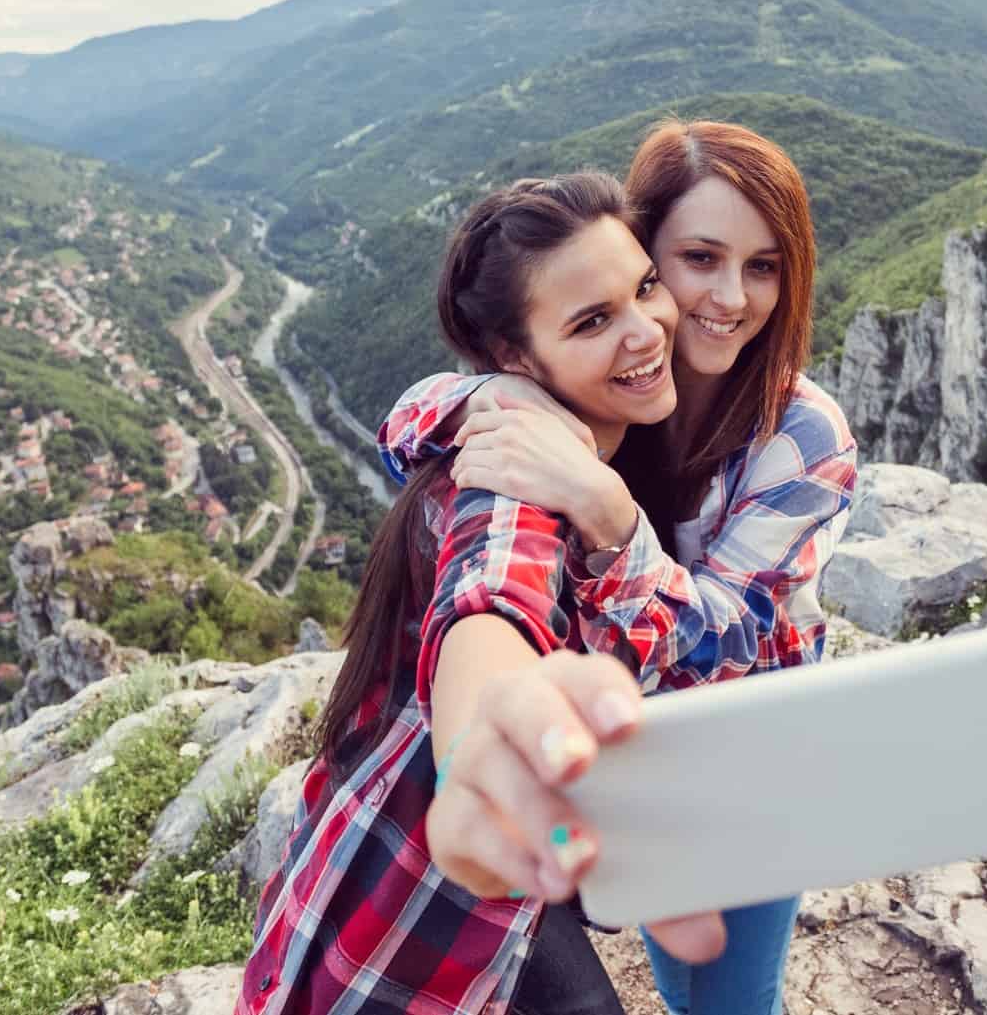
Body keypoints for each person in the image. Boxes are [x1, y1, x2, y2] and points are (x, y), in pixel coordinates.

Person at [376, 121, 859, 1015]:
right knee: (669, 956)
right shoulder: (610, 377)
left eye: (763, 267)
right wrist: (495, 394)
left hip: (749, 746)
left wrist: (606, 511)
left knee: (725, 994)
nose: (728, 298)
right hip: (621, 752)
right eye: (698, 258)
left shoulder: (801, 435)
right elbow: (408, 424)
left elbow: (721, 637)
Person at [239, 173, 724, 1015]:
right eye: (591, 320)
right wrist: (481, 747)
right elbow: (493, 597)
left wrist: (609, 509)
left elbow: (411, 419)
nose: (646, 331)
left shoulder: (548, 437)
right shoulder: (513, 487)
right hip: (394, 944)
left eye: (643, 286)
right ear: (514, 356)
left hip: (446, 900)